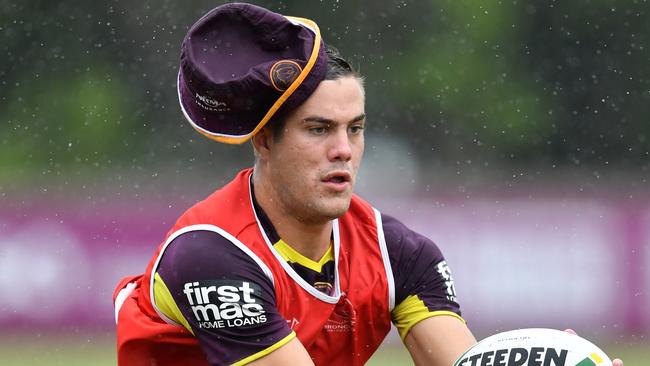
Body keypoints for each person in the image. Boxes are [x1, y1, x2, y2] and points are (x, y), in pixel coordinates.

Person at [113, 3, 624, 366]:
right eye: (318, 130)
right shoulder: (209, 254)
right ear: (265, 141)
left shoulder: (399, 254)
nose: (343, 150)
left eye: (354, 128)